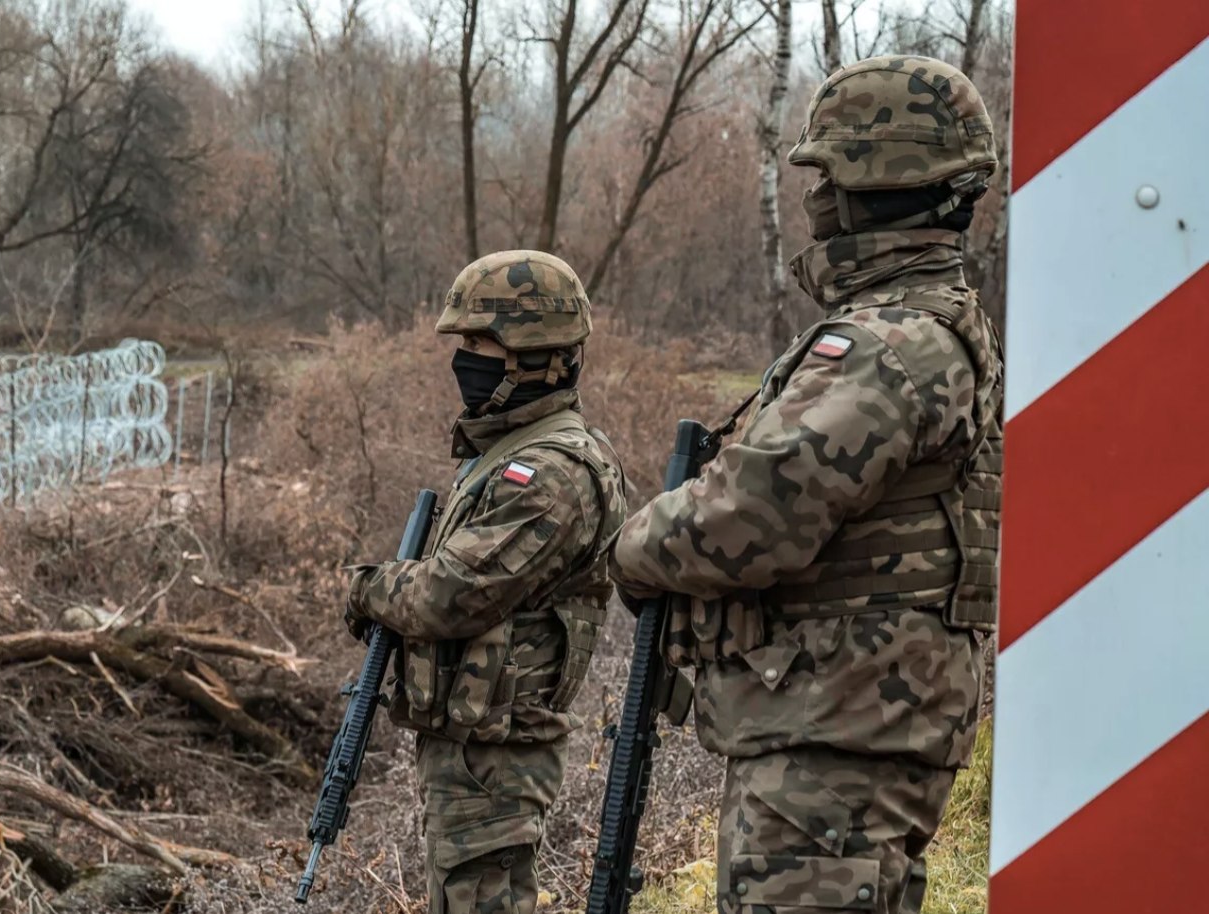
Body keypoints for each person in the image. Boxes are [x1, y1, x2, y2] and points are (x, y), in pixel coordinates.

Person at [609, 55, 1003, 914]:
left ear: (876, 179)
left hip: (837, 734)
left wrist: (632, 550)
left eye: (827, 173)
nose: (817, 197)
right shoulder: (932, 321)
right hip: (854, 726)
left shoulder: (887, 344)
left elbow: (747, 517)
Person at [345, 250, 627, 914]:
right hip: (472, 755)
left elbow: (452, 595)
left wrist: (365, 589)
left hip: (496, 761)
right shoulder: (504, 455)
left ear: (532, 353)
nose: (463, 359)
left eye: (478, 342)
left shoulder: (553, 474)